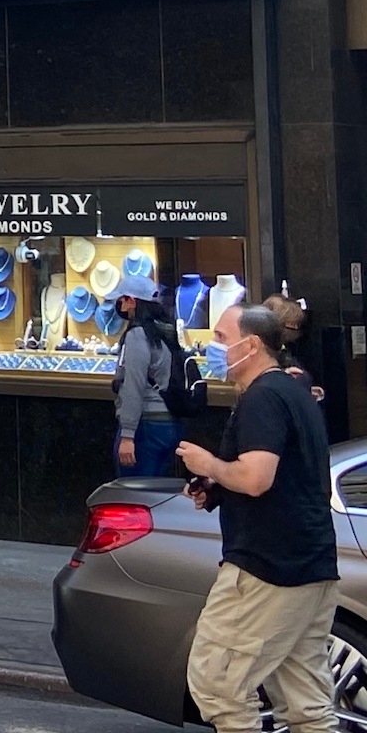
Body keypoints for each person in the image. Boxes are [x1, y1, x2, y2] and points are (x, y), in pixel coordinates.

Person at [178, 305, 340, 733]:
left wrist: (209, 464)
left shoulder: (263, 397)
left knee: (218, 683)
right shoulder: (293, 393)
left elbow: (255, 479)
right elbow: (289, 475)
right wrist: (214, 488)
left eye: (220, 336)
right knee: (307, 704)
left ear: (250, 345)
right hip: (310, 564)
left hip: (268, 567)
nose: (212, 346)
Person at [113, 274, 184, 477]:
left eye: (121, 299)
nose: (118, 304)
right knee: (154, 491)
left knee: (134, 494)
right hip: (169, 423)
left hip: (146, 425)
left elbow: (133, 385)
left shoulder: (137, 335)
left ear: (132, 301)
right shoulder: (164, 331)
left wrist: (127, 435)